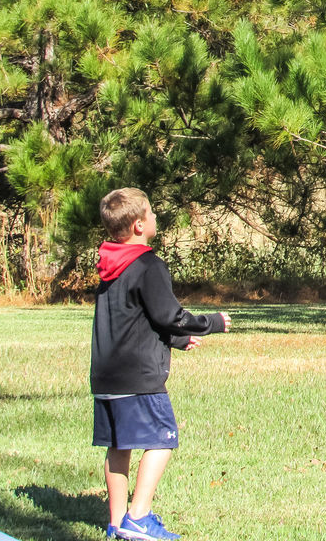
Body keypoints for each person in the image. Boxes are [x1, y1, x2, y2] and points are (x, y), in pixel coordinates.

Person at [91, 188, 231, 539]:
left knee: (119, 446)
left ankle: (116, 523)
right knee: (164, 437)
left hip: (106, 376)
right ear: (139, 225)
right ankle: (138, 517)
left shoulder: (109, 263)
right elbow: (170, 315)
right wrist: (212, 322)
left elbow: (135, 317)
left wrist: (177, 340)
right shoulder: (148, 265)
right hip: (139, 377)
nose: (155, 217)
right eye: (151, 213)